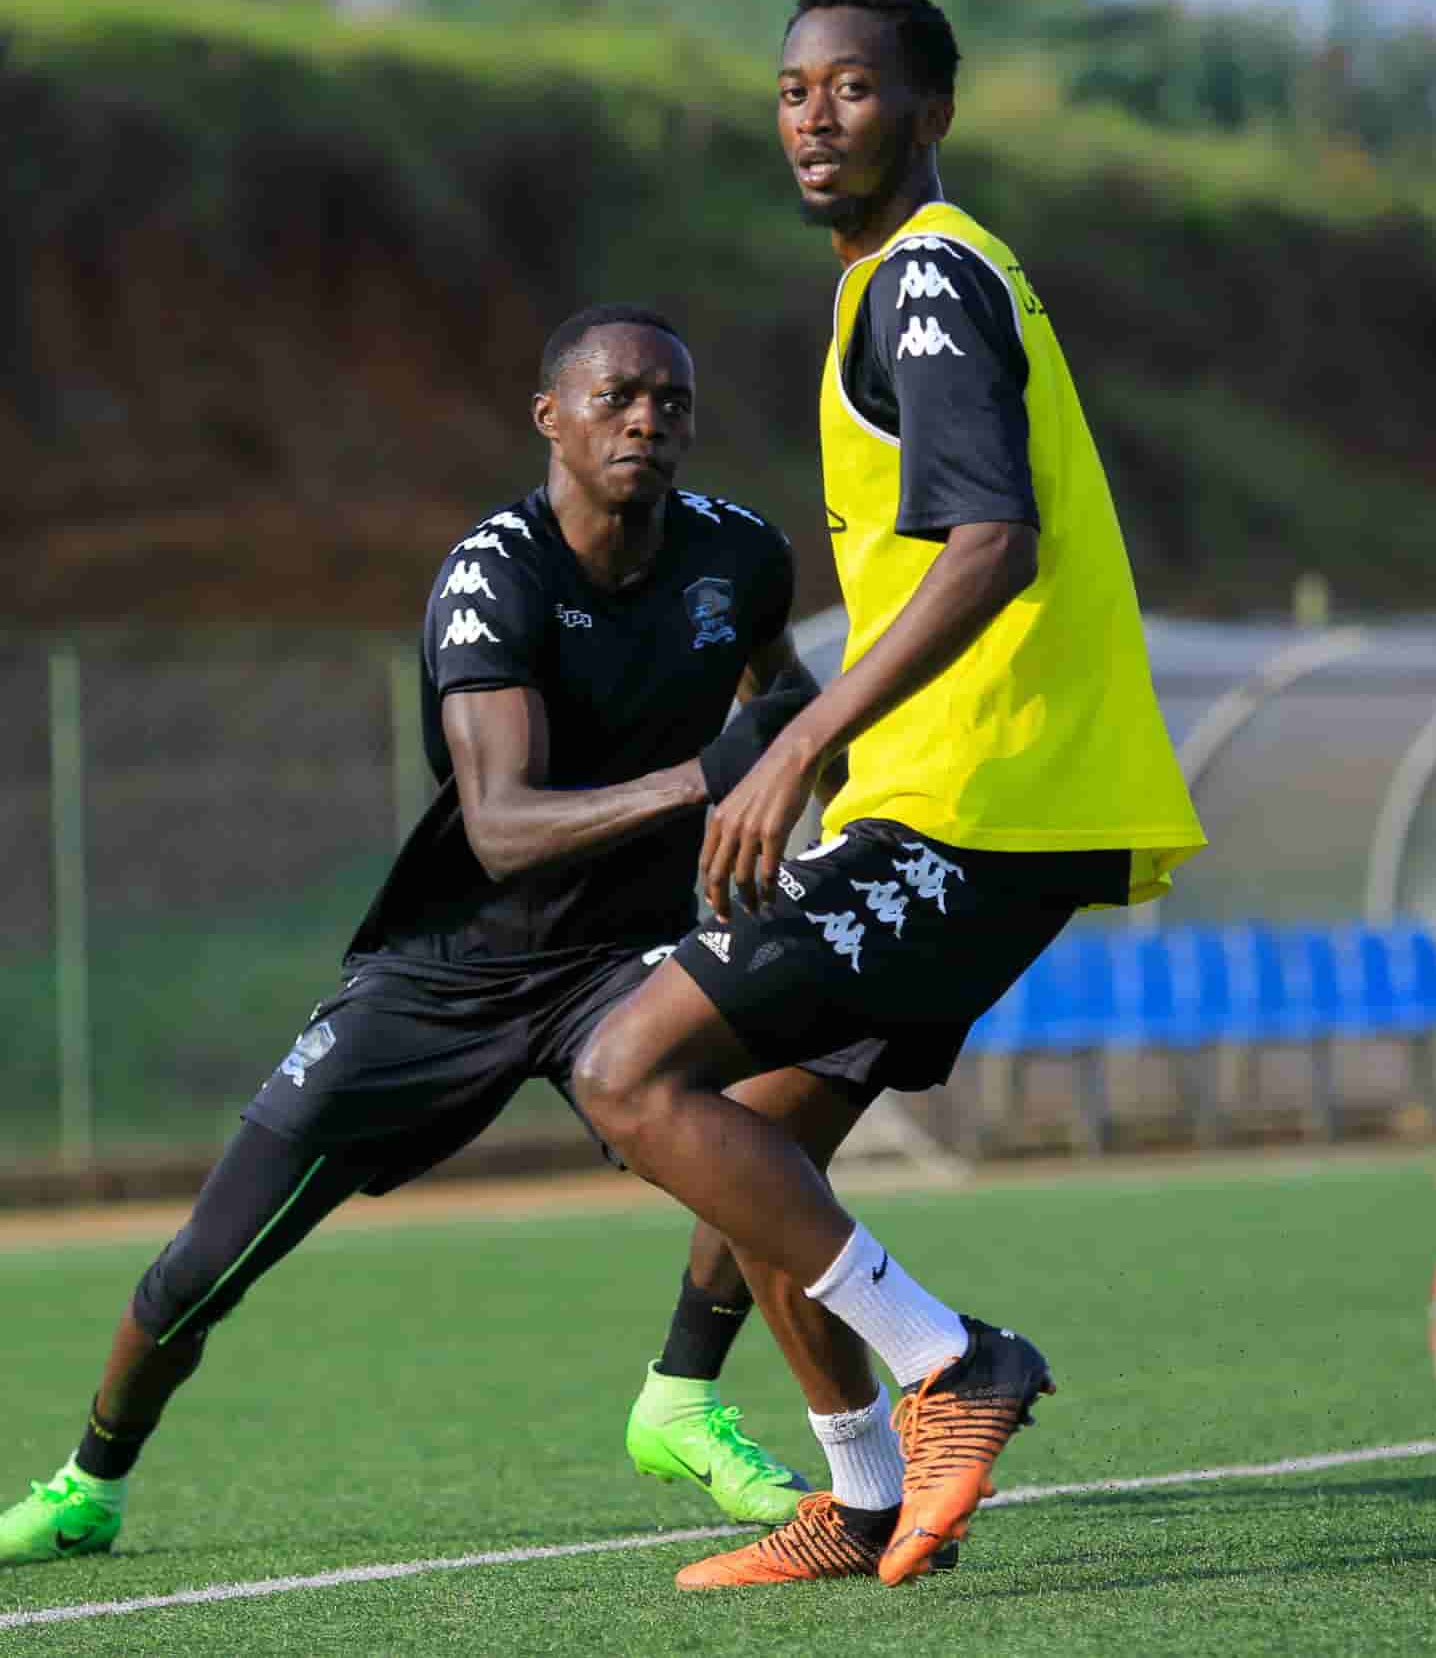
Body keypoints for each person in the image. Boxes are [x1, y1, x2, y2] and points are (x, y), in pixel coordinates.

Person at [0, 303, 870, 1566]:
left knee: (800, 1087)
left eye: (670, 402)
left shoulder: (737, 556)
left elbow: (784, 707)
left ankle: (681, 1395)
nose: (646, 420)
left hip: (621, 967)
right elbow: (503, 825)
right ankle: (92, 1480)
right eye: (617, 397)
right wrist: (709, 780)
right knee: (202, 1267)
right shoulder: (493, 574)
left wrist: (818, 791)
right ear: (550, 418)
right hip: (447, 972)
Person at [585, 0, 1207, 1591]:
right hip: (951, 795)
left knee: (626, 1067)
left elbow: (989, 541)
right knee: (750, 1151)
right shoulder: (896, 286)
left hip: (979, 796)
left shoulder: (924, 278)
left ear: (927, 109)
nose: (812, 113)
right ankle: (859, 1494)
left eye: (851, 87)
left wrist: (795, 741)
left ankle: (955, 1361)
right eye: (793, 88)